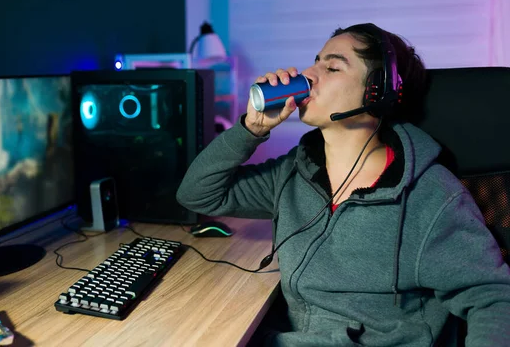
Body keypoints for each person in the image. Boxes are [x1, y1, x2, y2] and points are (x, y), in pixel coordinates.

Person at [176, 23, 510, 346]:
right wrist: (252, 127)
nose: (308, 75)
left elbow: (494, 299)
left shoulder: (430, 197)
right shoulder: (294, 171)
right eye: (316, 61)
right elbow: (198, 195)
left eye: (333, 68)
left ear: (377, 92)